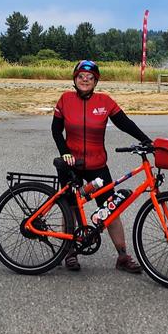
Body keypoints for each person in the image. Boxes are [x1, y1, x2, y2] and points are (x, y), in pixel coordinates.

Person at [52, 60, 152, 274]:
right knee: (69, 208)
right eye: (80, 76)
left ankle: (123, 256)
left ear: (95, 81)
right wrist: (64, 152)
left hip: (98, 164)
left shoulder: (104, 101)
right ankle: (69, 251)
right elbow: (55, 130)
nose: (85, 80)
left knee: (110, 209)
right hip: (73, 165)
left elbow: (124, 123)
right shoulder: (65, 99)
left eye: (89, 77)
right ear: (75, 79)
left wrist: (146, 140)